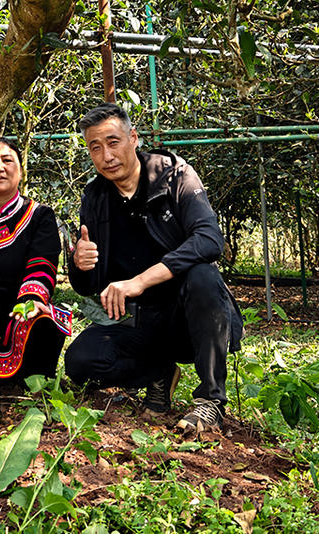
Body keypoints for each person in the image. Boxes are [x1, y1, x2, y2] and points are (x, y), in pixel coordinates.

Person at [64, 103, 243, 432]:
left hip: (188, 318)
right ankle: (159, 373)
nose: (106, 156)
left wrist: (141, 280)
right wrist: (79, 263)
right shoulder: (95, 197)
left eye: (113, 142)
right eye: (95, 147)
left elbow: (209, 239)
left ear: (133, 138)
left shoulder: (174, 175)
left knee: (203, 274)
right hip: (141, 321)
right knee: (80, 360)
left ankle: (211, 401)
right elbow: (86, 285)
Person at [0, 137, 72, 392]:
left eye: (7, 160)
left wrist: (31, 300)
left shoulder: (39, 215)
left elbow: (42, 262)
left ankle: (26, 379)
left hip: (21, 310)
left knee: (46, 323)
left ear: (20, 171)